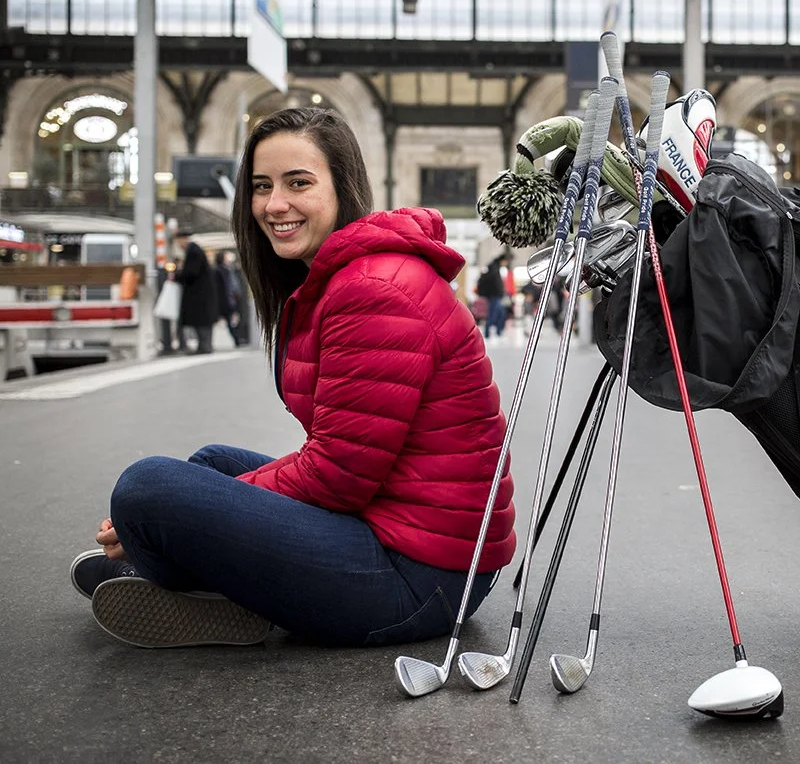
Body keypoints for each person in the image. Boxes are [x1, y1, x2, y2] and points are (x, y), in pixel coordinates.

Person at [69, 107, 514, 649]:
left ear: (342, 187)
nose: (274, 204)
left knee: (146, 488)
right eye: (261, 186)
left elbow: (337, 475)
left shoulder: (373, 290)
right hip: (410, 536)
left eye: (298, 183)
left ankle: (177, 575)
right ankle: (195, 579)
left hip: (423, 578)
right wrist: (206, 502)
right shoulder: (345, 278)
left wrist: (171, 519)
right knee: (211, 463)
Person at [174, 229, 219, 354]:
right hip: (202, 295)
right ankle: (204, 346)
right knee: (202, 320)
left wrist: (177, 276)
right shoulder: (195, 250)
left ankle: (204, 346)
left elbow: (191, 273)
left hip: (199, 295)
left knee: (200, 320)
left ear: (183, 239)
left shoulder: (193, 251)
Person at [214, 250, 246, 347]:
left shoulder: (229, 268)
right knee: (230, 319)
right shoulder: (221, 270)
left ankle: (237, 338)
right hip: (227, 298)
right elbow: (227, 286)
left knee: (233, 319)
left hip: (232, 297)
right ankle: (236, 339)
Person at [475, 255, 506, 339]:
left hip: (496, 296)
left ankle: (497, 332)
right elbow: (496, 284)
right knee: (493, 314)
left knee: (500, 313)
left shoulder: (494, 268)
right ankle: (488, 333)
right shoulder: (494, 270)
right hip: (494, 296)